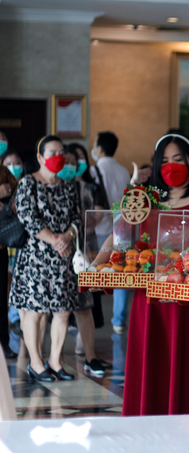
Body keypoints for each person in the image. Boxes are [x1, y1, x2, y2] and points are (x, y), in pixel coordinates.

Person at [121, 133, 189, 418]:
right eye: (164, 161)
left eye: (178, 159)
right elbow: (121, 237)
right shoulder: (146, 200)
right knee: (152, 363)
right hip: (150, 301)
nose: (171, 166)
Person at [10, 135, 81, 382]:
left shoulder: (69, 186)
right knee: (35, 312)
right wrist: (55, 240)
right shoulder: (28, 183)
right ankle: (36, 363)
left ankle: (55, 361)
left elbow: (77, 218)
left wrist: (68, 237)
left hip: (63, 258)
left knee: (63, 312)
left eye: (61, 151)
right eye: (52, 152)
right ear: (40, 157)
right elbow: (28, 217)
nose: (58, 157)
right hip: (36, 257)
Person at [64, 144, 108, 376]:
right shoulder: (56, 188)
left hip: (86, 248)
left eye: (77, 160)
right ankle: (49, 359)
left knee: (85, 303)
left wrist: (81, 224)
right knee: (57, 308)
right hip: (59, 250)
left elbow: (97, 215)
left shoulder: (91, 187)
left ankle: (90, 356)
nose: (72, 165)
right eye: (68, 159)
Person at [90, 131, 130, 334]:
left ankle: (92, 316)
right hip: (122, 228)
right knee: (121, 269)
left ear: (100, 148)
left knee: (96, 270)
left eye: (95, 144)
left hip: (100, 228)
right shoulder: (124, 171)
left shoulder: (94, 170)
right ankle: (118, 319)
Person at [0, 138, 17, 359]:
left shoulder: (4, 171)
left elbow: (17, 194)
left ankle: (3, 344)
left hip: (1, 243)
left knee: (0, 296)